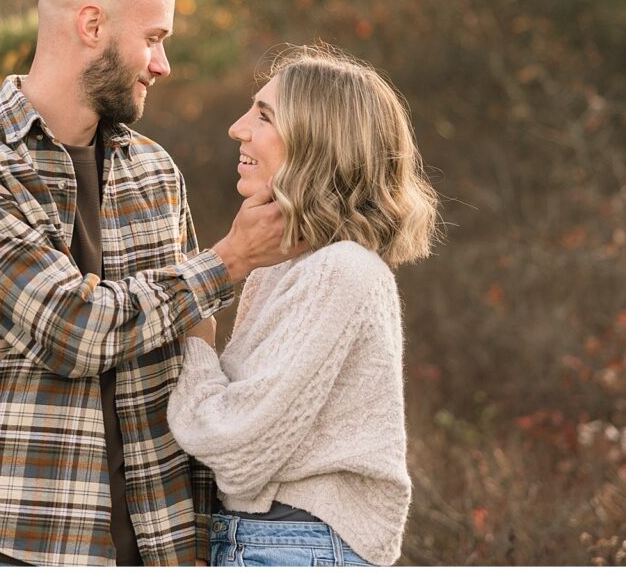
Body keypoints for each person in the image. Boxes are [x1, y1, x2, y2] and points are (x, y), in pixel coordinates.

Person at [0, 0, 303, 567]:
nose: (163, 64)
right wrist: (229, 259)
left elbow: (193, 343)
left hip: (160, 544)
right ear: (91, 25)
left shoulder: (155, 171)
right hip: (4, 542)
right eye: (153, 38)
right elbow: (71, 329)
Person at [167, 44, 440, 567]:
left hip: (297, 547)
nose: (237, 128)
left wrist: (196, 338)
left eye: (264, 116)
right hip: (270, 541)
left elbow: (238, 451)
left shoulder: (343, 272)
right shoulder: (285, 270)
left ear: (320, 142)